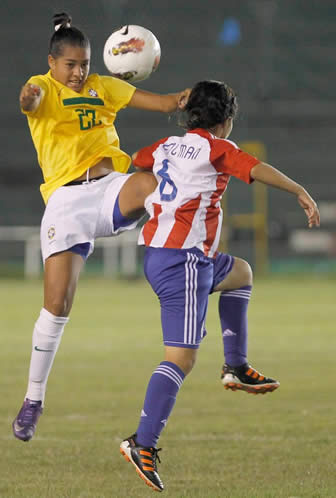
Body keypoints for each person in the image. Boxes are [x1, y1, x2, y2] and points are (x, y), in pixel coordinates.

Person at [119, 80, 320, 492]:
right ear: (226, 121)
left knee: (241, 272)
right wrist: (300, 190)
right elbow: (256, 169)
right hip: (184, 263)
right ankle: (141, 443)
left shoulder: (163, 147)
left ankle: (236, 366)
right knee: (180, 359)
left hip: (165, 255)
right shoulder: (217, 149)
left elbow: (134, 162)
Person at [12, 12, 191, 443]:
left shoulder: (103, 87)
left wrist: (190, 97)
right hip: (66, 205)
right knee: (57, 307)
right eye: (70, 65)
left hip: (111, 188)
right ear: (53, 63)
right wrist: (29, 95)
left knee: (156, 185)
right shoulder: (43, 87)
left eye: (85, 64)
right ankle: (34, 398)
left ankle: (182, 270)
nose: (78, 72)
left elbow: (165, 103)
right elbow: (28, 102)